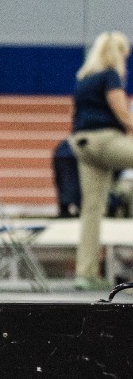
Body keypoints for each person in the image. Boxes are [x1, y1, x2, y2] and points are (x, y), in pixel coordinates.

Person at [70, 30, 133, 288]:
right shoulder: (110, 76)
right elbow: (122, 113)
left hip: (82, 143)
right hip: (105, 140)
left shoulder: (84, 78)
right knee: (94, 208)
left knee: (92, 209)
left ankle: (85, 273)